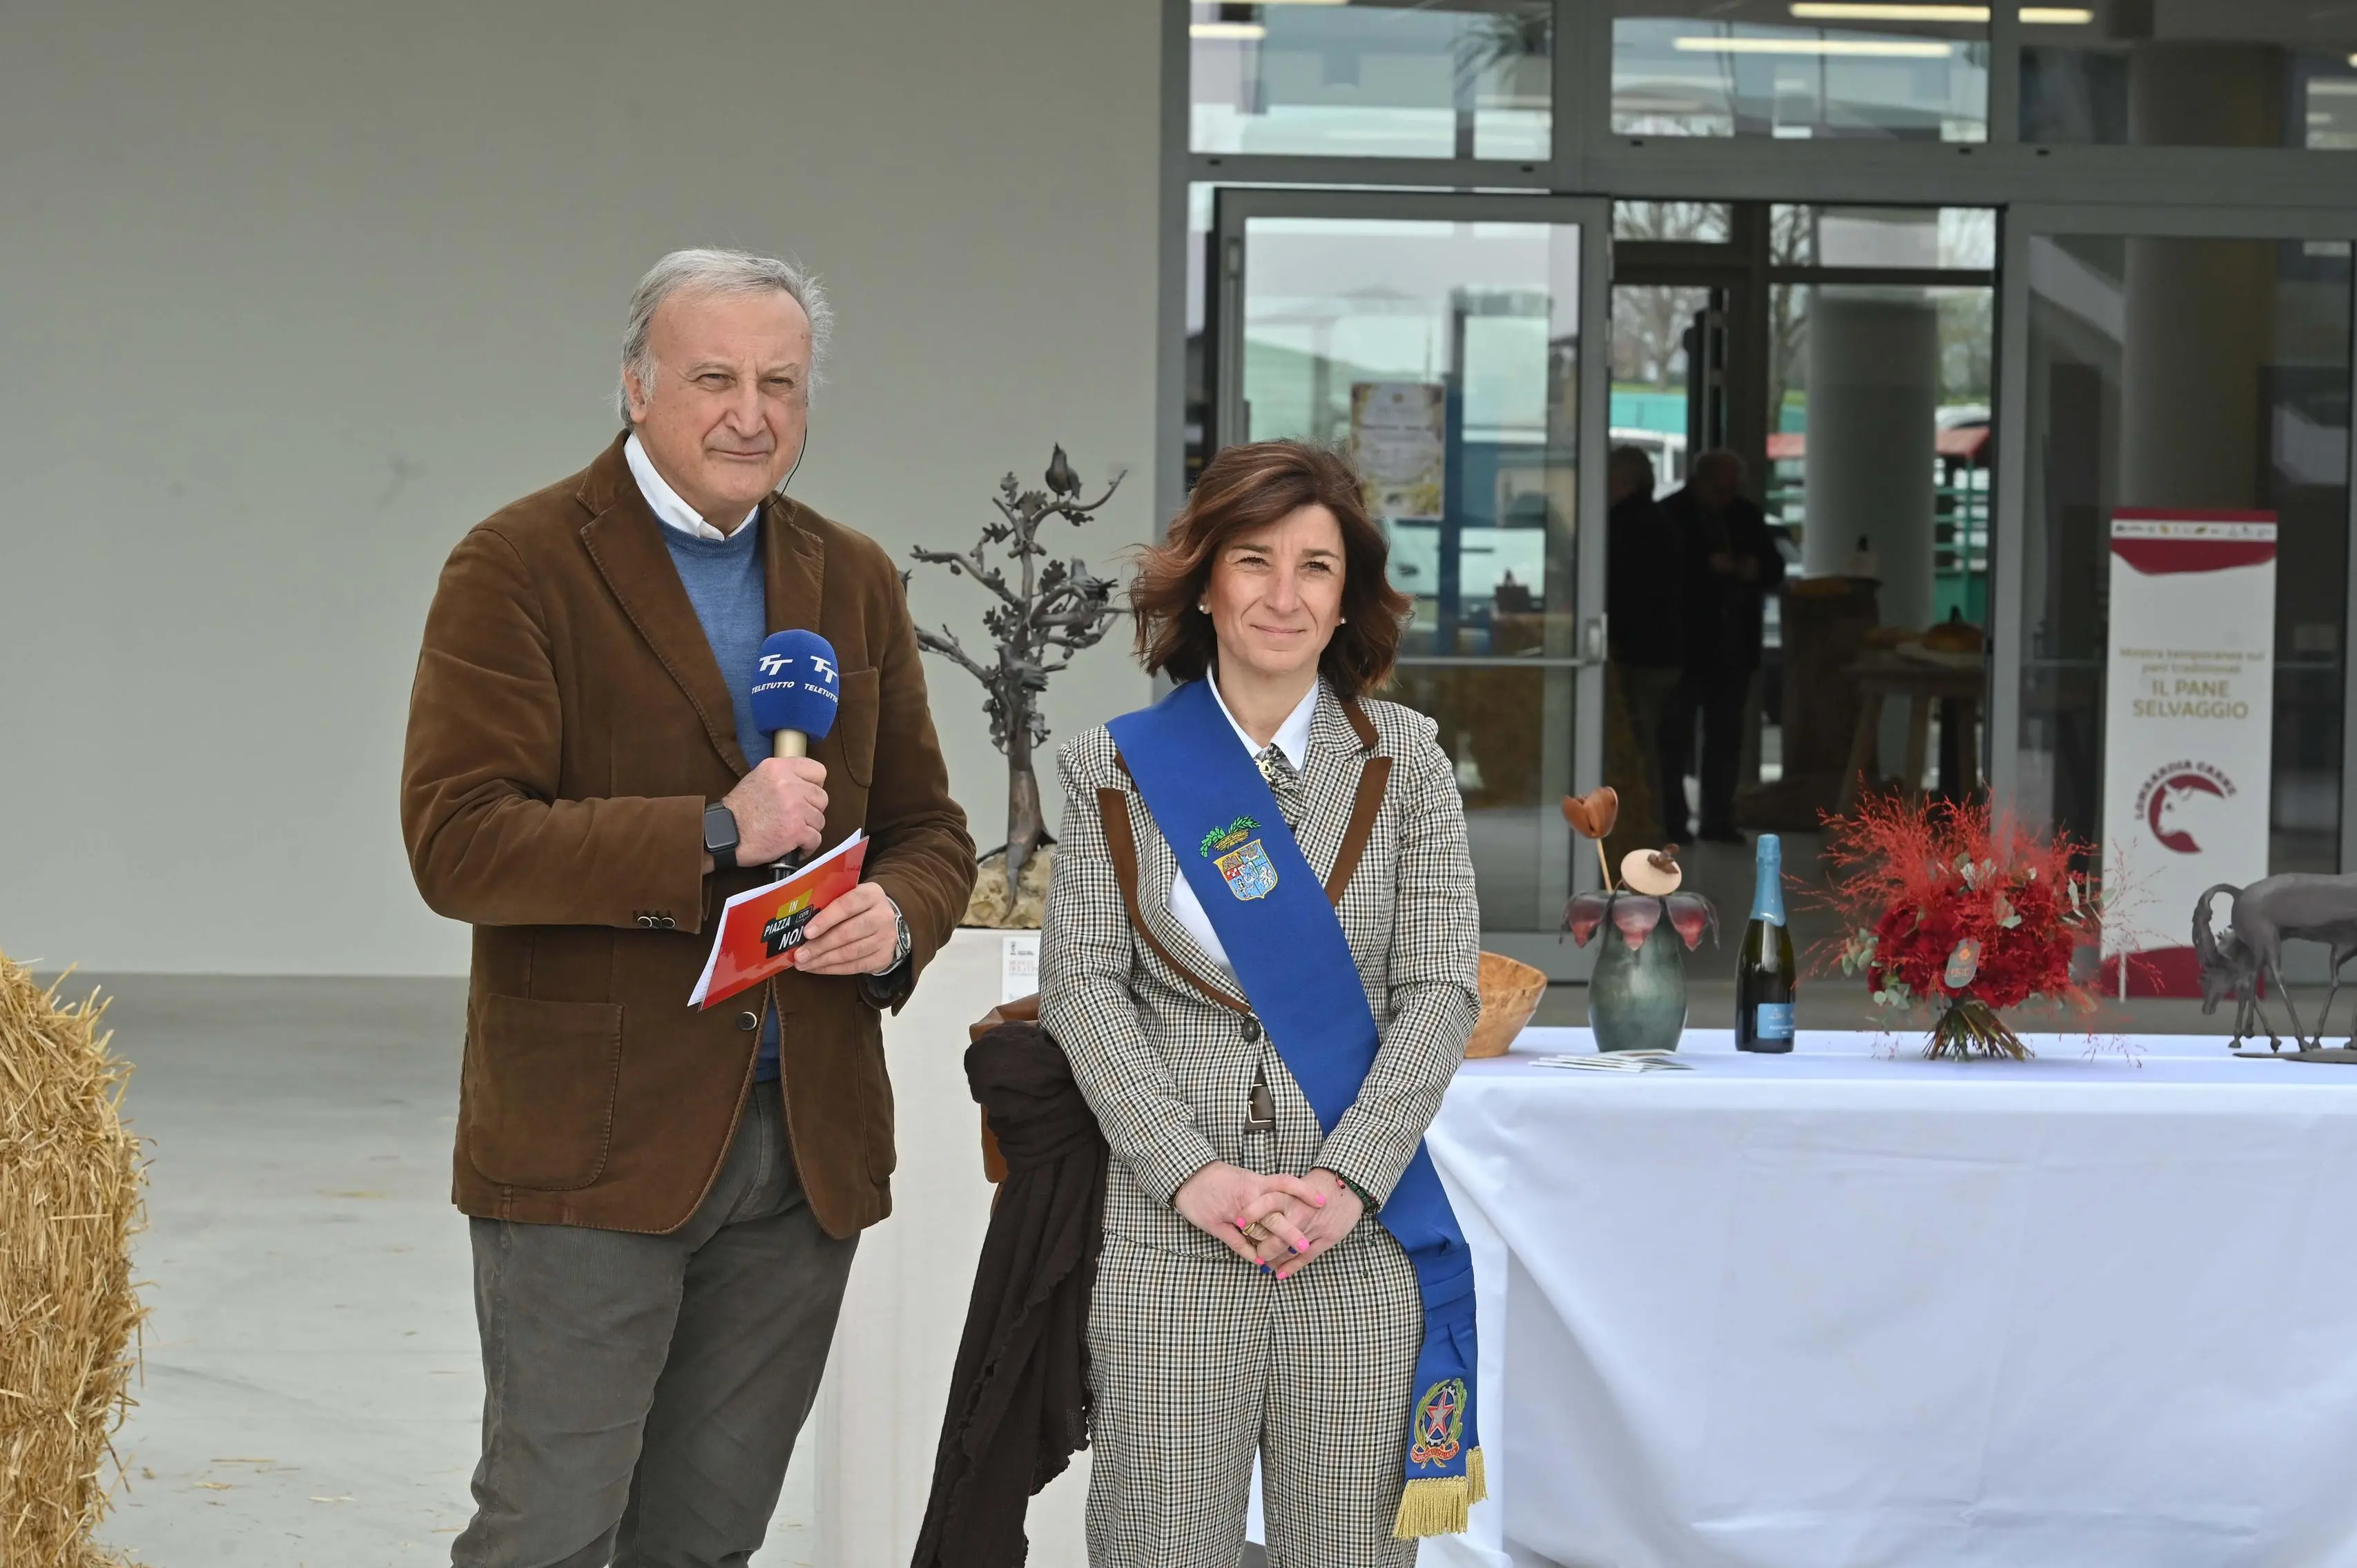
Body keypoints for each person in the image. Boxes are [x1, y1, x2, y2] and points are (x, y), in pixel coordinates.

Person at [401, 248, 976, 1567]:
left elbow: (929, 830)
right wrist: (714, 830)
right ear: (634, 386)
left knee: (707, 1541)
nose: (749, 411)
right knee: (550, 1529)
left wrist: (897, 917)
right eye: (712, 376)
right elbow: (458, 843)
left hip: (800, 1144)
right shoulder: (518, 564)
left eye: (779, 381)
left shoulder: (853, 576)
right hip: (592, 1146)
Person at [1041, 440, 1484, 1566]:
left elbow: (1439, 991)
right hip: (1171, 1229)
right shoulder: (1111, 766)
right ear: (1203, 582)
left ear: (1347, 600)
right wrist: (1191, 1175)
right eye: (1252, 560)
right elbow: (1082, 987)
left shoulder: (1411, 764)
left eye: (1315, 568)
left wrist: (1344, 1181)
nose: (1282, 596)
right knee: (1155, 1545)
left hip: (1352, 1233)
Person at [1660, 447, 1786, 843]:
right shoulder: (1671, 515)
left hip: (1734, 645)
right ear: (1699, 482)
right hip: (1685, 644)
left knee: (1726, 738)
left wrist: (1754, 570)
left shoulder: (1746, 515)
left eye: (1732, 490)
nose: (1726, 498)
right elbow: (1660, 577)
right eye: (1719, 490)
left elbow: (1775, 567)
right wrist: (1705, 569)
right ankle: (1673, 821)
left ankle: (1718, 819)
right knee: (1674, 738)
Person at [1606, 445, 1685, 842]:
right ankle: (1663, 822)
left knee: (1642, 745)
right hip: (1661, 650)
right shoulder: (1660, 521)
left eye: (1611, 473)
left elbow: (1626, 593)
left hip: (1641, 653)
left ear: (1626, 479)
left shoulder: (1625, 525)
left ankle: (1648, 825)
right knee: (1656, 742)